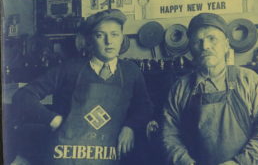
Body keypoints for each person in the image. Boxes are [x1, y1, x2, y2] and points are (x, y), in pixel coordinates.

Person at [12, 9, 153, 165]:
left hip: (110, 154)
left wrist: (130, 127)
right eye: (100, 35)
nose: (109, 41)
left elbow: (144, 107)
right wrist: (54, 120)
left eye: (114, 34)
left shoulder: (131, 71)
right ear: (89, 40)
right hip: (69, 154)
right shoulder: (69, 68)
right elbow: (23, 96)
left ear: (122, 38)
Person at [162, 13, 258, 165]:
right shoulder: (180, 88)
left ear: (226, 45)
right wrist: (186, 162)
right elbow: (169, 135)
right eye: (198, 41)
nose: (205, 46)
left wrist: (239, 163)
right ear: (190, 48)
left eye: (212, 39)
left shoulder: (249, 80)